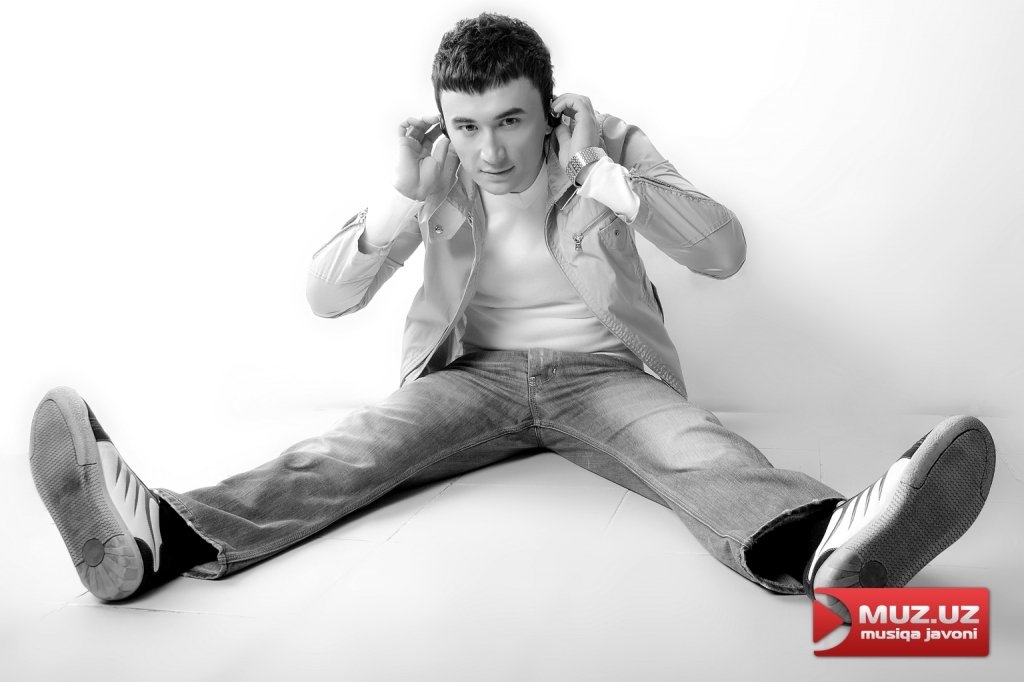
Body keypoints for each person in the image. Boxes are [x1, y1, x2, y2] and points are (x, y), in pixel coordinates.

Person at [29, 13, 995, 622]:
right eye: (467, 125)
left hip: (605, 378)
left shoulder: (607, 149)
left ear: (551, 108)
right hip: (471, 378)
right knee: (350, 451)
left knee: (695, 450)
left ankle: (825, 546)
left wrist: (604, 174)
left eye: (510, 122)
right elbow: (326, 297)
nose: (489, 152)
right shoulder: (439, 168)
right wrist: (402, 199)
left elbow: (722, 253)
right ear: (444, 121)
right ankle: (158, 542)